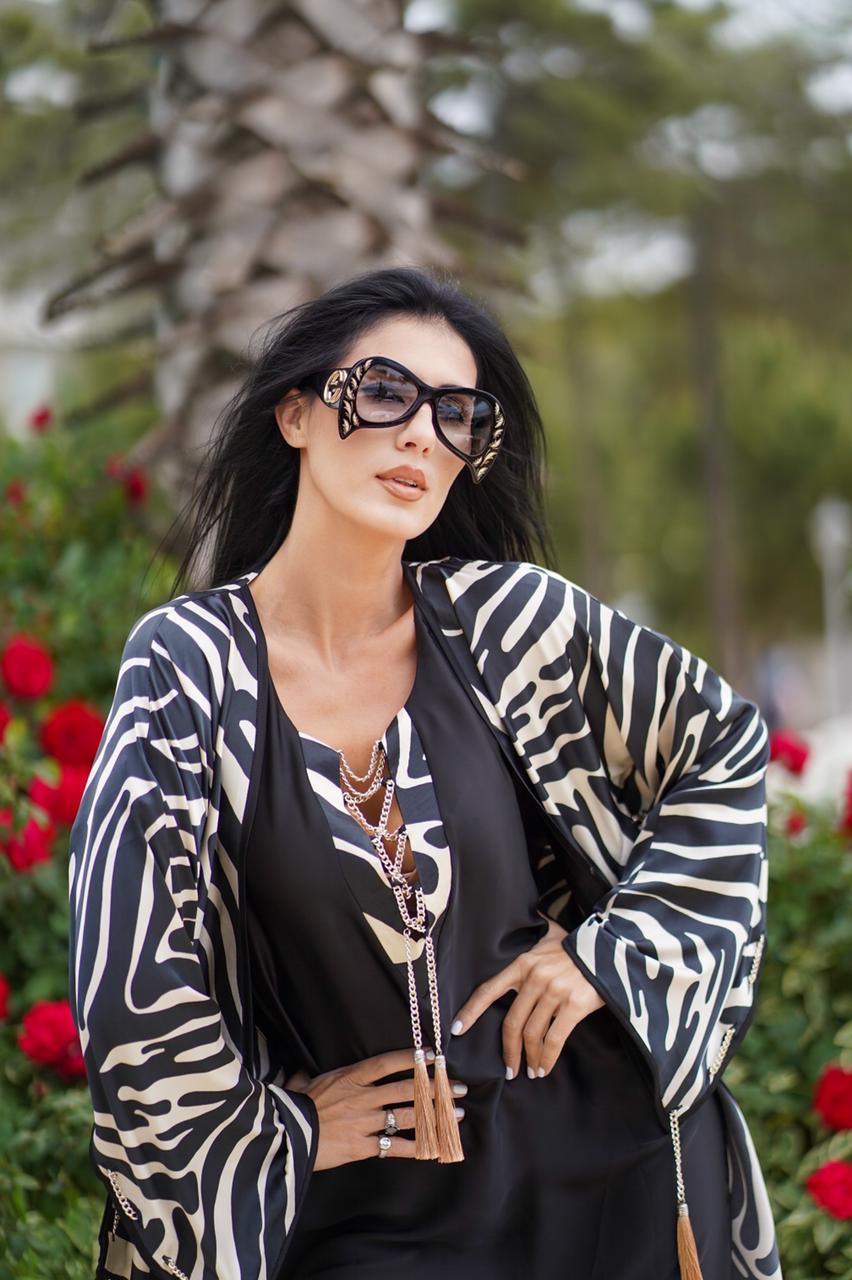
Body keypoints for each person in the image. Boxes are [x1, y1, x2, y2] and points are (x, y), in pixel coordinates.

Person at [68, 266, 781, 1280]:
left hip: (603, 1181)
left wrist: (612, 953)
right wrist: (278, 1130)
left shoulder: (508, 621)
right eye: (386, 393)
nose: (421, 435)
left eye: (458, 415)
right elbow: (136, 975)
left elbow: (723, 741)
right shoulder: (190, 666)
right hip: (362, 1216)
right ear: (296, 414)